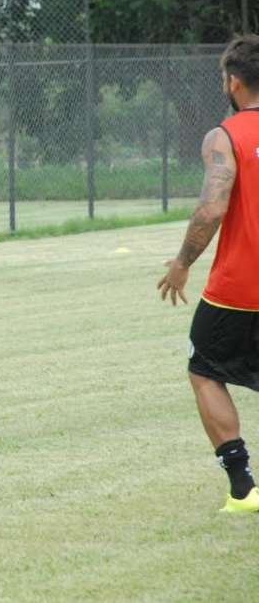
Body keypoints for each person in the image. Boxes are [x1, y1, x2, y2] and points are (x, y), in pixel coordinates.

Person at [157, 34, 259, 513]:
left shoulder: (225, 136)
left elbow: (210, 210)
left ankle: (243, 487)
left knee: (204, 369)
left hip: (240, 288)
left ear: (233, 81)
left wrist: (181, 265)